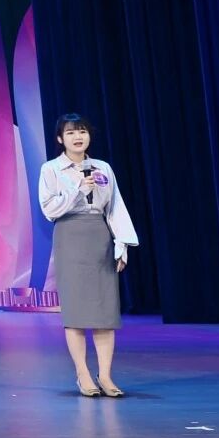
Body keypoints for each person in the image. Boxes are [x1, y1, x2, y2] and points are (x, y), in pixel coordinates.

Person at [38, 113, 140, 398]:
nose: (78, 137)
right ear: (60, 139)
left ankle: (105, 375)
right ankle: (83, 374)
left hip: (99, 236)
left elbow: (115, 207)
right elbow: (49, 209)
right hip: (69, 235)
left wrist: (122, 244)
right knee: (76, 312)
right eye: (71, 133)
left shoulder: (102, 167)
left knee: (105, 312)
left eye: (82, 131)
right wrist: (77, 190)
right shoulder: (51, 169)